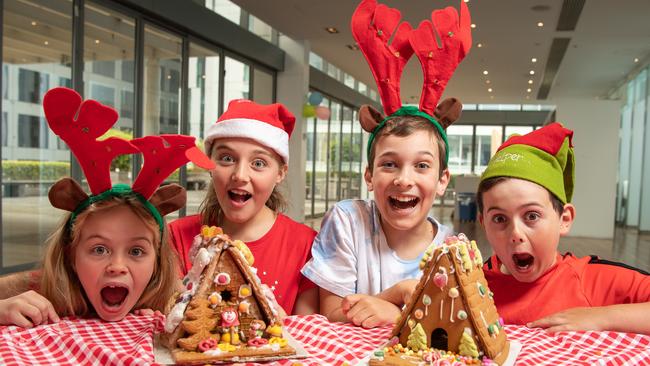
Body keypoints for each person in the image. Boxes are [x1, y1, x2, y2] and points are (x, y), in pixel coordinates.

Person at [301, 0, 471, 328]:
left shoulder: (451, 249)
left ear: (442, 179)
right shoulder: (347, 222)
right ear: (369, 175)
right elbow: (331, 313)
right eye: (389, 165)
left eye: (422, 166)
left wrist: (394, 311)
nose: (403, 180)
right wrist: (397, 295)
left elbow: (450, 326)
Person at [0, 87, 214, 327]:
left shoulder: (173, 311)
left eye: (136, 251)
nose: (117, 267)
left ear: (157, 264)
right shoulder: (36, 292)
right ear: (72, 255)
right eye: (99, 249)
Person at [478, 122, 650, 334]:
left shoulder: (590, 281)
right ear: (483, 223)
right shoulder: (473, 286)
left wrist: (601, 316)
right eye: (499, 218)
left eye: (531, 216)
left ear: (564, 219)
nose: (516, 234)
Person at [168, 99, 318, 316]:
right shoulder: (177, 236)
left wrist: (279, 321)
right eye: (227, 158)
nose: (239, 175)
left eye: (258, 163)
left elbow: (307, 336)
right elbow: (175, 314)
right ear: (210, 164)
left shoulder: (307, 247)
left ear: (280, 173)